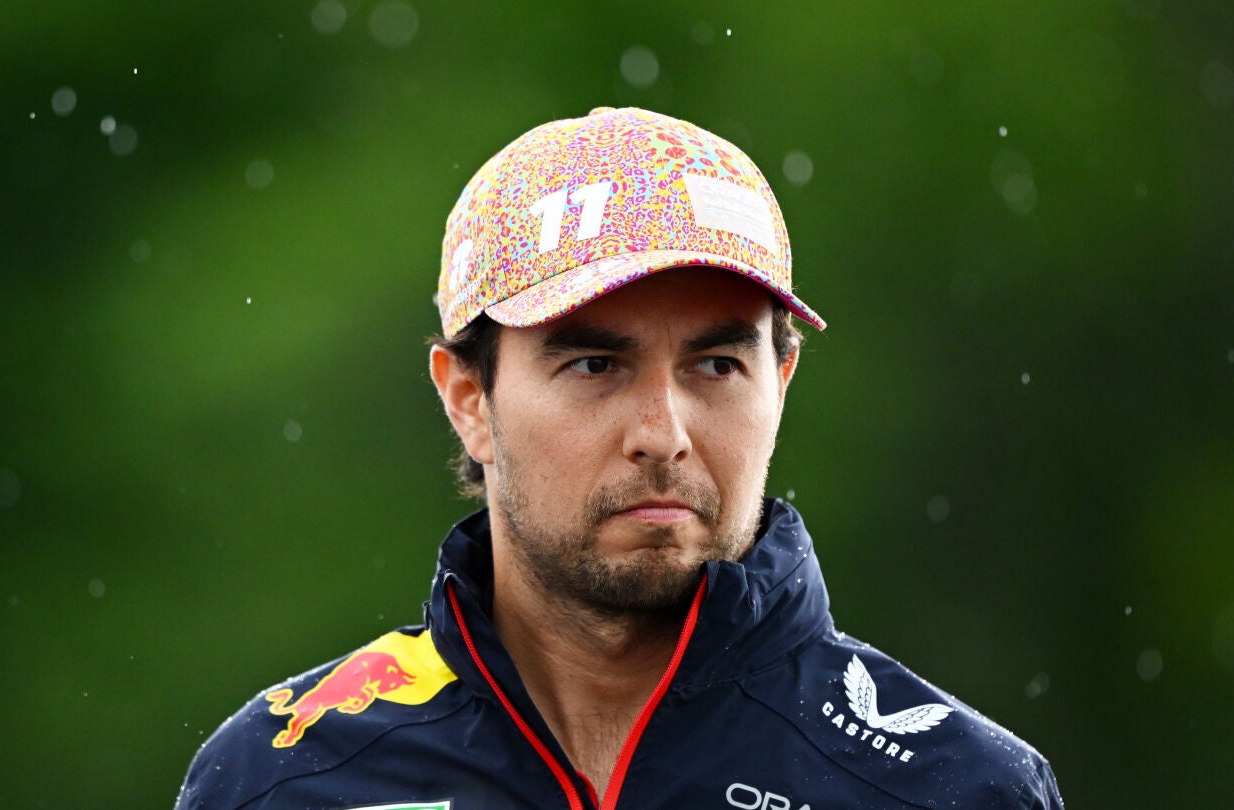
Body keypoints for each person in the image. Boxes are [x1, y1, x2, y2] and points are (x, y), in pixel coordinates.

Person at [175, 107, 1063, 809]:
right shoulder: (280, 779)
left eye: (717, 365)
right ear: (469, 401)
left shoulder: (953, 787)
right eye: (595, 365)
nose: (662, 433)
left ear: (781, 384)